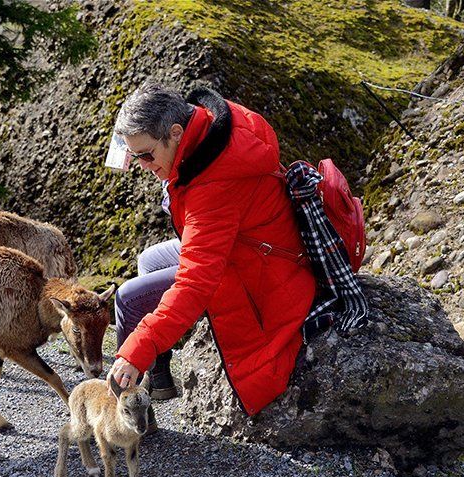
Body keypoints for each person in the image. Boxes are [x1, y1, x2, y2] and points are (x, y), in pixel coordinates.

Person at [107, 82, 317, 428]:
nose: (142, 165)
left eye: (146, 155)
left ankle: (125, 410)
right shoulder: (213, 122)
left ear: (175, 133)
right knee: (148, 261)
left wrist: (134, 352)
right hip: (252, 241)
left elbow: (196, 283)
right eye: (134, 155)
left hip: (258, 269)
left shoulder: (214, 184)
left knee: (129, 299)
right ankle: (156, 385)